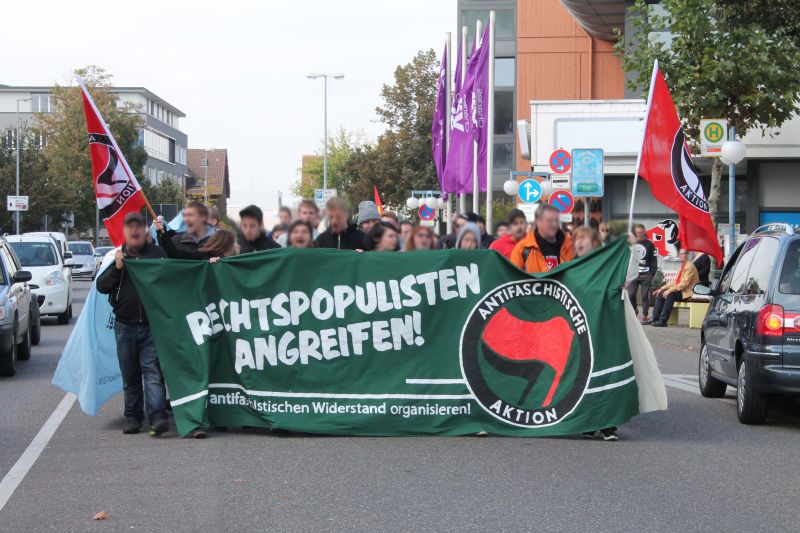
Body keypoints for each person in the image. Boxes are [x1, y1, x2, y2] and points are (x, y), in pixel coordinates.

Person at [96, 212, 171, 437]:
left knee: (152, 373)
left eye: (139, 226)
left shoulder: (157, 254)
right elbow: (102, 286)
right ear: (125, 232)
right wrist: (117, 268)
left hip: (151, 326)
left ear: (145, 231)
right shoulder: (118, 257)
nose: (135, 231)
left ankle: (157, 415)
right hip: (125, 327)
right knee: (130, 375)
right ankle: (133, 417)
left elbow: (172, 278)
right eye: (130, 227)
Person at [510, 203, 575, 273]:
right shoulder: (522, 249)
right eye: (550, 221)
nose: (554, 224)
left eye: (556, 220)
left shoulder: (570, 245)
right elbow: (513, 277)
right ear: (538, 222)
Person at [647, 248, 700, 327]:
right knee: (661, 294)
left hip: (688, 292)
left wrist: (669, 290)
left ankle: (663, 320)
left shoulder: (689, 267)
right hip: (681, 291)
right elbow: (674, 281)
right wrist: (662, 289)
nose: (681, 256)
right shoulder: (683, 266)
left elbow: (684, 284)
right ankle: (655, 318)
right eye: (680, 254)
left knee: (670, 295)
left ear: (687, 255)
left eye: (684, 254)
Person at [627, 223, 658, 323]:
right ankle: (635, 309)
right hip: (633, 274)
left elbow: (654, 259)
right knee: (631, 294)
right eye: (637, 232)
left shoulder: (650, 244)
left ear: (644, 232)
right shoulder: (631, 243)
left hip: (646, 274)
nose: (639, 234)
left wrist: (652, 273)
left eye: (641, 232)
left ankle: (645, 315)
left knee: (644, 295)